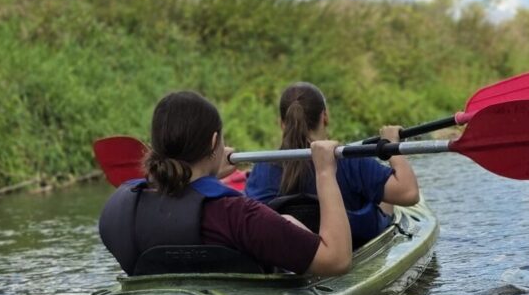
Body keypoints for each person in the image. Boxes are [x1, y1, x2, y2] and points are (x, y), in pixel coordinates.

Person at [99, 91, 351, 276]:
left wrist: (208, 174)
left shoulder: (119, 207)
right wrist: (325, 172)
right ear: (213, 142)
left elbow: (178, 199)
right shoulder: (238, 215)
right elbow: (336, 260)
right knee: (289, 222)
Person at [244, 82, 420, 245]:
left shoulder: (262, 167)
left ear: (282, 124)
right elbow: (409, 193)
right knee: (385, 201)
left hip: (290, 252)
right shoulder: (350, 161)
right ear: (325, 117)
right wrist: (390, 146)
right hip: (350, 245)